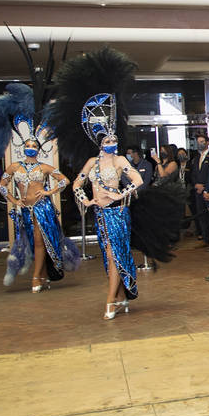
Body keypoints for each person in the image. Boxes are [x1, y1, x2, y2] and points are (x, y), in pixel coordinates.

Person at [73, 130, 144, 320]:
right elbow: (76, 185)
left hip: (117, 213)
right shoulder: (91, 162)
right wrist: (86, 201)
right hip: (100, 215)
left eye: (114, 140)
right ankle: (121, 296)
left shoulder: (120, 160)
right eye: (108, 140)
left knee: (115, 254)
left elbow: (138, 179)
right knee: (108, 256)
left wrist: (120, 194)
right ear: (100, 143)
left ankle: (110, 300)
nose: (112, 143)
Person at [0, 136, 75, 292]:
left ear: (38, 150)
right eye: (28, 145)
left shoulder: (44, 167)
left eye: (33, 145)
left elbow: (65, 180)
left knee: (40, 241)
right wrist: (14, 200)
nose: (30, 147)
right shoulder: (14, 167)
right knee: (33, 243)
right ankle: (43, 274)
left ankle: (36, 276)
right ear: (23, 148)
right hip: (25, 208)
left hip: (42, 208)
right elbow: (2, 186)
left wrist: (49, 191)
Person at [191, 136, 209, 248]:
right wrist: (196, 185)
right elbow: (193, 173)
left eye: (202, 142)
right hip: (198, 191)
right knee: (201, 216)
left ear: (207, 142)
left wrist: (205, 186)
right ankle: (205, 239)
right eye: (198, 142)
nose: (200, 144)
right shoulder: (196, 158)